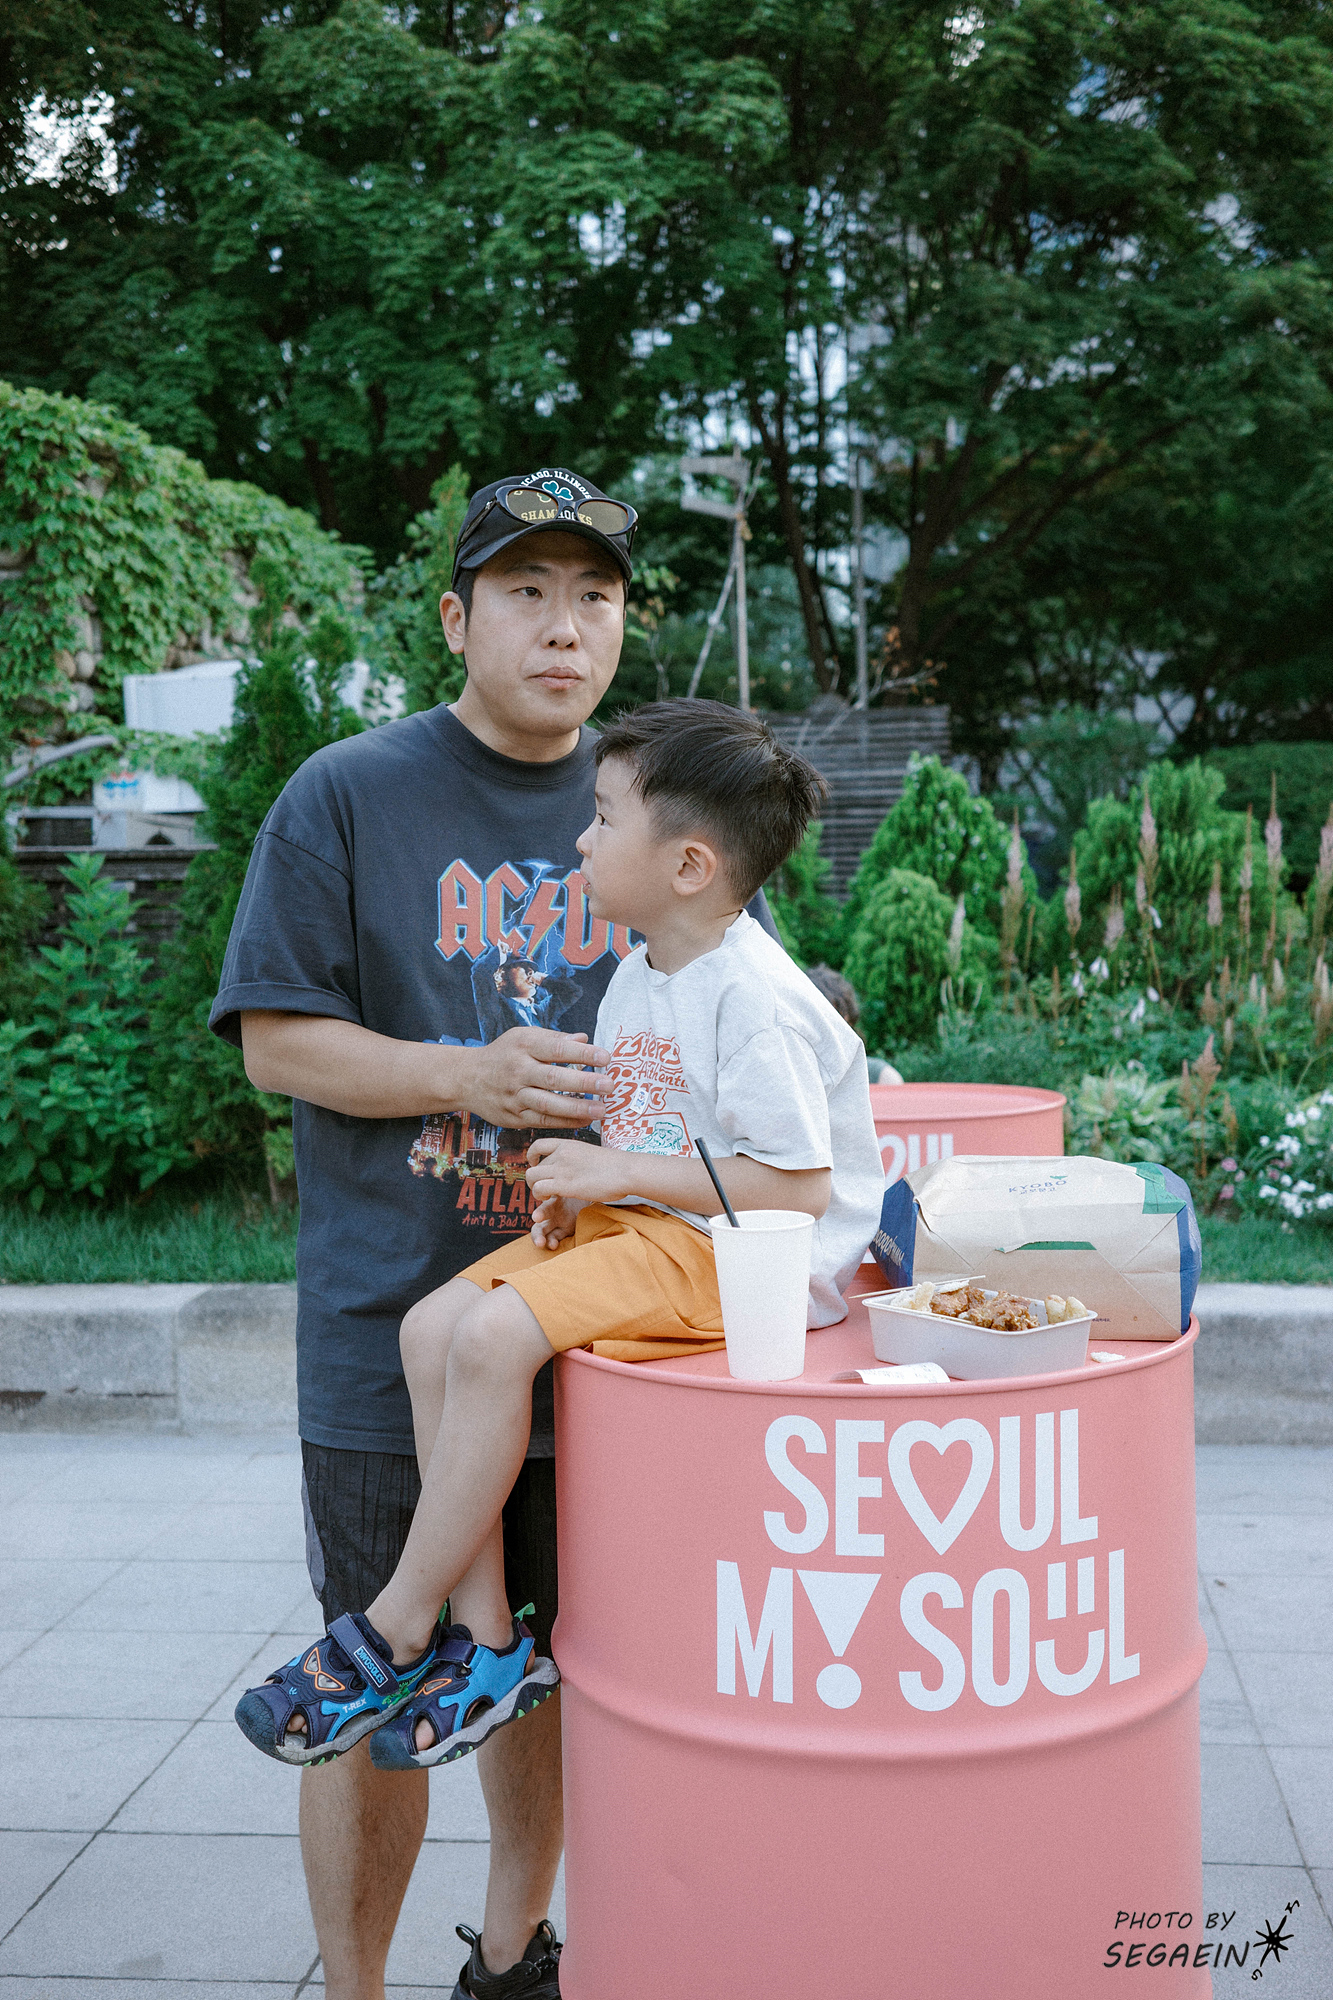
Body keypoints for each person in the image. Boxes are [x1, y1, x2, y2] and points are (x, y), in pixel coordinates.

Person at [207, 469, 780, 2000]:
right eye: (526, 593)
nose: (565, 627)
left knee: (544, 1667)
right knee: (374, 1673)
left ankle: (516, 1957)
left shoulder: (663, 799)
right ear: (457, 620)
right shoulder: (346, 793)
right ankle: (354, 1988)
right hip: (391, 1325)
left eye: (594, 596)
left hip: (605, 1336)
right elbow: (273, 1043)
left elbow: (757, 1032)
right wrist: (468, 1076)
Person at [233, 694, 885, 1787]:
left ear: (687, 865)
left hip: (744, 1258)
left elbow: (798, 1185)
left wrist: (614, 1175)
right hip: (660, 1223)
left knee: (493, 1339)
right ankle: (487, 1640)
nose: (579, 840)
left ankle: (398, 1622)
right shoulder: (645, 966)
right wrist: (585, 1195)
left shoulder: (753, 997)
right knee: (432, 1327)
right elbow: (656, 1133)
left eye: (604, 818)